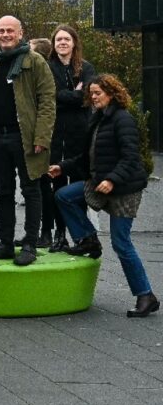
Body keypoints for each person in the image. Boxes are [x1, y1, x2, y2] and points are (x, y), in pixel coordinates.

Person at [51, 74, 157, 317]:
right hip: (100, 183)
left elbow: (131, 158)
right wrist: (63, 167)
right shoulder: (98, 119)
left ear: (112, 93)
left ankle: (145, 295)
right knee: (64, 196)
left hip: (124, 189)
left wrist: (112, 179)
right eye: (91, 93)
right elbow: (87, 157)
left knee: (121, 243)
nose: (94, 97)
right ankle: (88, 239)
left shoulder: (123, 119)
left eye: (98, 93)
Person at [0, 16, 55, 267]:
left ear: (20, 33)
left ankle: (30, 243)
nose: (5, 34)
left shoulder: (34, 61)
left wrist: (42, 137)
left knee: (31, 189)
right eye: (0, 30)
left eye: (9, 31)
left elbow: (48, 100)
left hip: (25, 137)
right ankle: (5, 242)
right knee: (4, 192)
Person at [43, 24, 96, 252]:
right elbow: (50, 95)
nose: (62, 43)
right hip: (55, 134)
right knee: (56, 186)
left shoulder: (85, 68)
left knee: (78, 187)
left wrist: (73, 95)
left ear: (74, 43)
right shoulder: (48, 68)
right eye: (58, 40)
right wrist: (73, 93)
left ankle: (82, 234)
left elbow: (87, 97)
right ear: (54, 45)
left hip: (79, 135)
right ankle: (59, 233)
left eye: (66, 39)